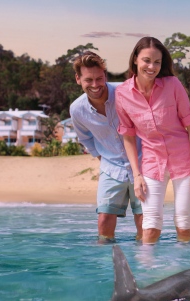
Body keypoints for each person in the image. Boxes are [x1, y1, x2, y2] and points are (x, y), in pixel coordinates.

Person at [115, 37, 190, 244]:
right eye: (146, 60)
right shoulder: (122, 93)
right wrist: (137, 176)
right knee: (150, 227)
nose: (151, 67)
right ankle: (147, 273)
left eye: (157, 62)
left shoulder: (173, 85)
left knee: (184, 224)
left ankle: (184, 270)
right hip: (152, 163)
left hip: (184, 161)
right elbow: (128, 136)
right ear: (135, 59)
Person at [70, 51, 143, 242]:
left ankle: (146, 264)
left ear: (105, 76)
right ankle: (105, 268)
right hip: (111, 168)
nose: (95, 85)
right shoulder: (77, 109)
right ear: (78, 79)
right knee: (104, 220)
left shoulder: (126, 93)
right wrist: (103, 159)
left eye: (99, 78)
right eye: (89, 80)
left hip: (143, 164)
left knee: (145, 222)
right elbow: (85, 138)